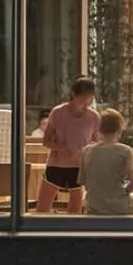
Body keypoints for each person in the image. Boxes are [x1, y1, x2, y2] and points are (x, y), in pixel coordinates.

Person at [34, 76, 100, 214]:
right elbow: (46, 141)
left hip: (79, 167)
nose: (86, 104)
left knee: (75, 210)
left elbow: (97, 143)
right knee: (42, 209)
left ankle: (72, 235)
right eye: (82, 100)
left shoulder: (93, 117)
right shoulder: (58, 113)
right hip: (56, 164)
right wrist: (61, 147)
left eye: (89, 100)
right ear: (73, 95)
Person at [81, 109, 133, 216]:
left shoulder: (87, 151)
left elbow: (86, 185)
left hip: (94, 206)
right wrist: (125, 192)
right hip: (121, 206)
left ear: (98, 129)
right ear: (119, 130)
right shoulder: (125, 151)